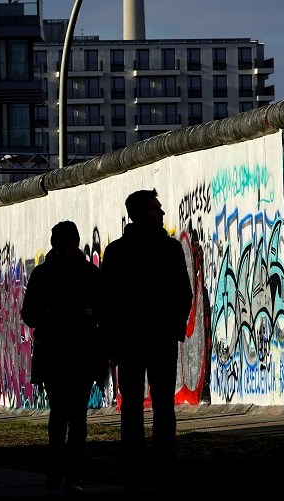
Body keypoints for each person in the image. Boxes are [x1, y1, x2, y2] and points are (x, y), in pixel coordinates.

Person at [100, 189, 193, 490]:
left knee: (138, 405)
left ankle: (135, 461)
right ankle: (161, 461)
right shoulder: (167, 250)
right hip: (154, 338)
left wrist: (113, 340)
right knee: (160, 403)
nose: (161, 214)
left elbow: (107, 302)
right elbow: (183, 293)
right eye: (156, 209)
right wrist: (174, 327)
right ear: (139, 214)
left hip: (133, 340)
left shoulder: (117, 252)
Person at [21, 221, 106, 494]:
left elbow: (31, 315)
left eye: (71, 244)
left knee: (66, 416)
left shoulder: (44, 275)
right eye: (66, 244)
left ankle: (63, 473)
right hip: (73, 353)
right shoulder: (88, 274)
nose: (69, 249)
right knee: (68, 416)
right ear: (57, 245)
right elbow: (30, 314)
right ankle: (69, 475)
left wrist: (51, 314)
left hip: (60, 353)